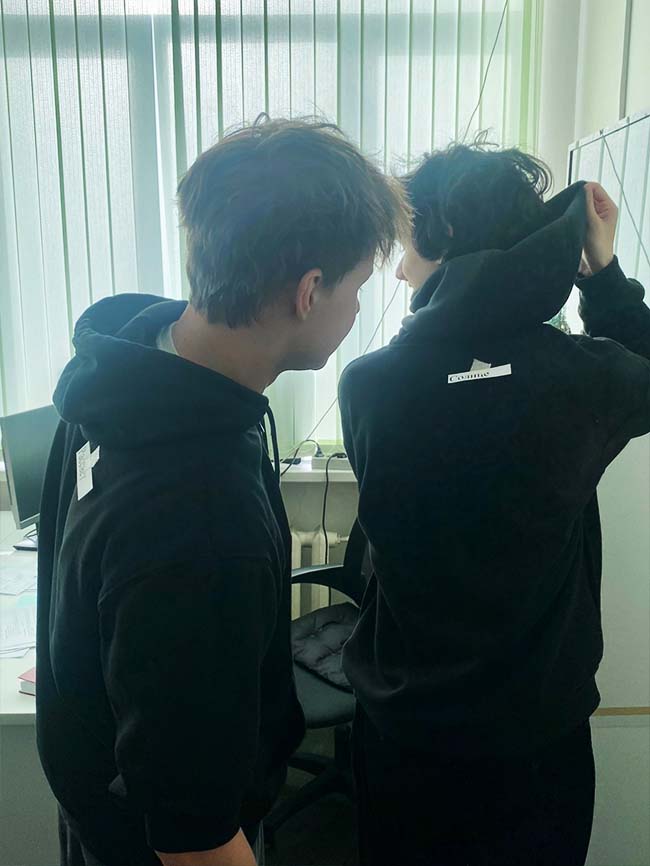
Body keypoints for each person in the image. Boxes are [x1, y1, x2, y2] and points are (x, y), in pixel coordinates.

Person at [36, 116, 408, 866]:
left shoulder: (125, 369)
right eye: (357, 289)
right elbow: (194, 835)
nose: (357, 311)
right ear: (309, 291)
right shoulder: (201, 522)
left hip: (100, 798)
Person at [338, 141, 650, 865]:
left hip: (407, 734)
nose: (398, 269)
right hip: (538, 742)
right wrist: (601, 272)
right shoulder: (582, 378)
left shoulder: (369, 387)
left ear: (445, 235)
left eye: (406, 245)